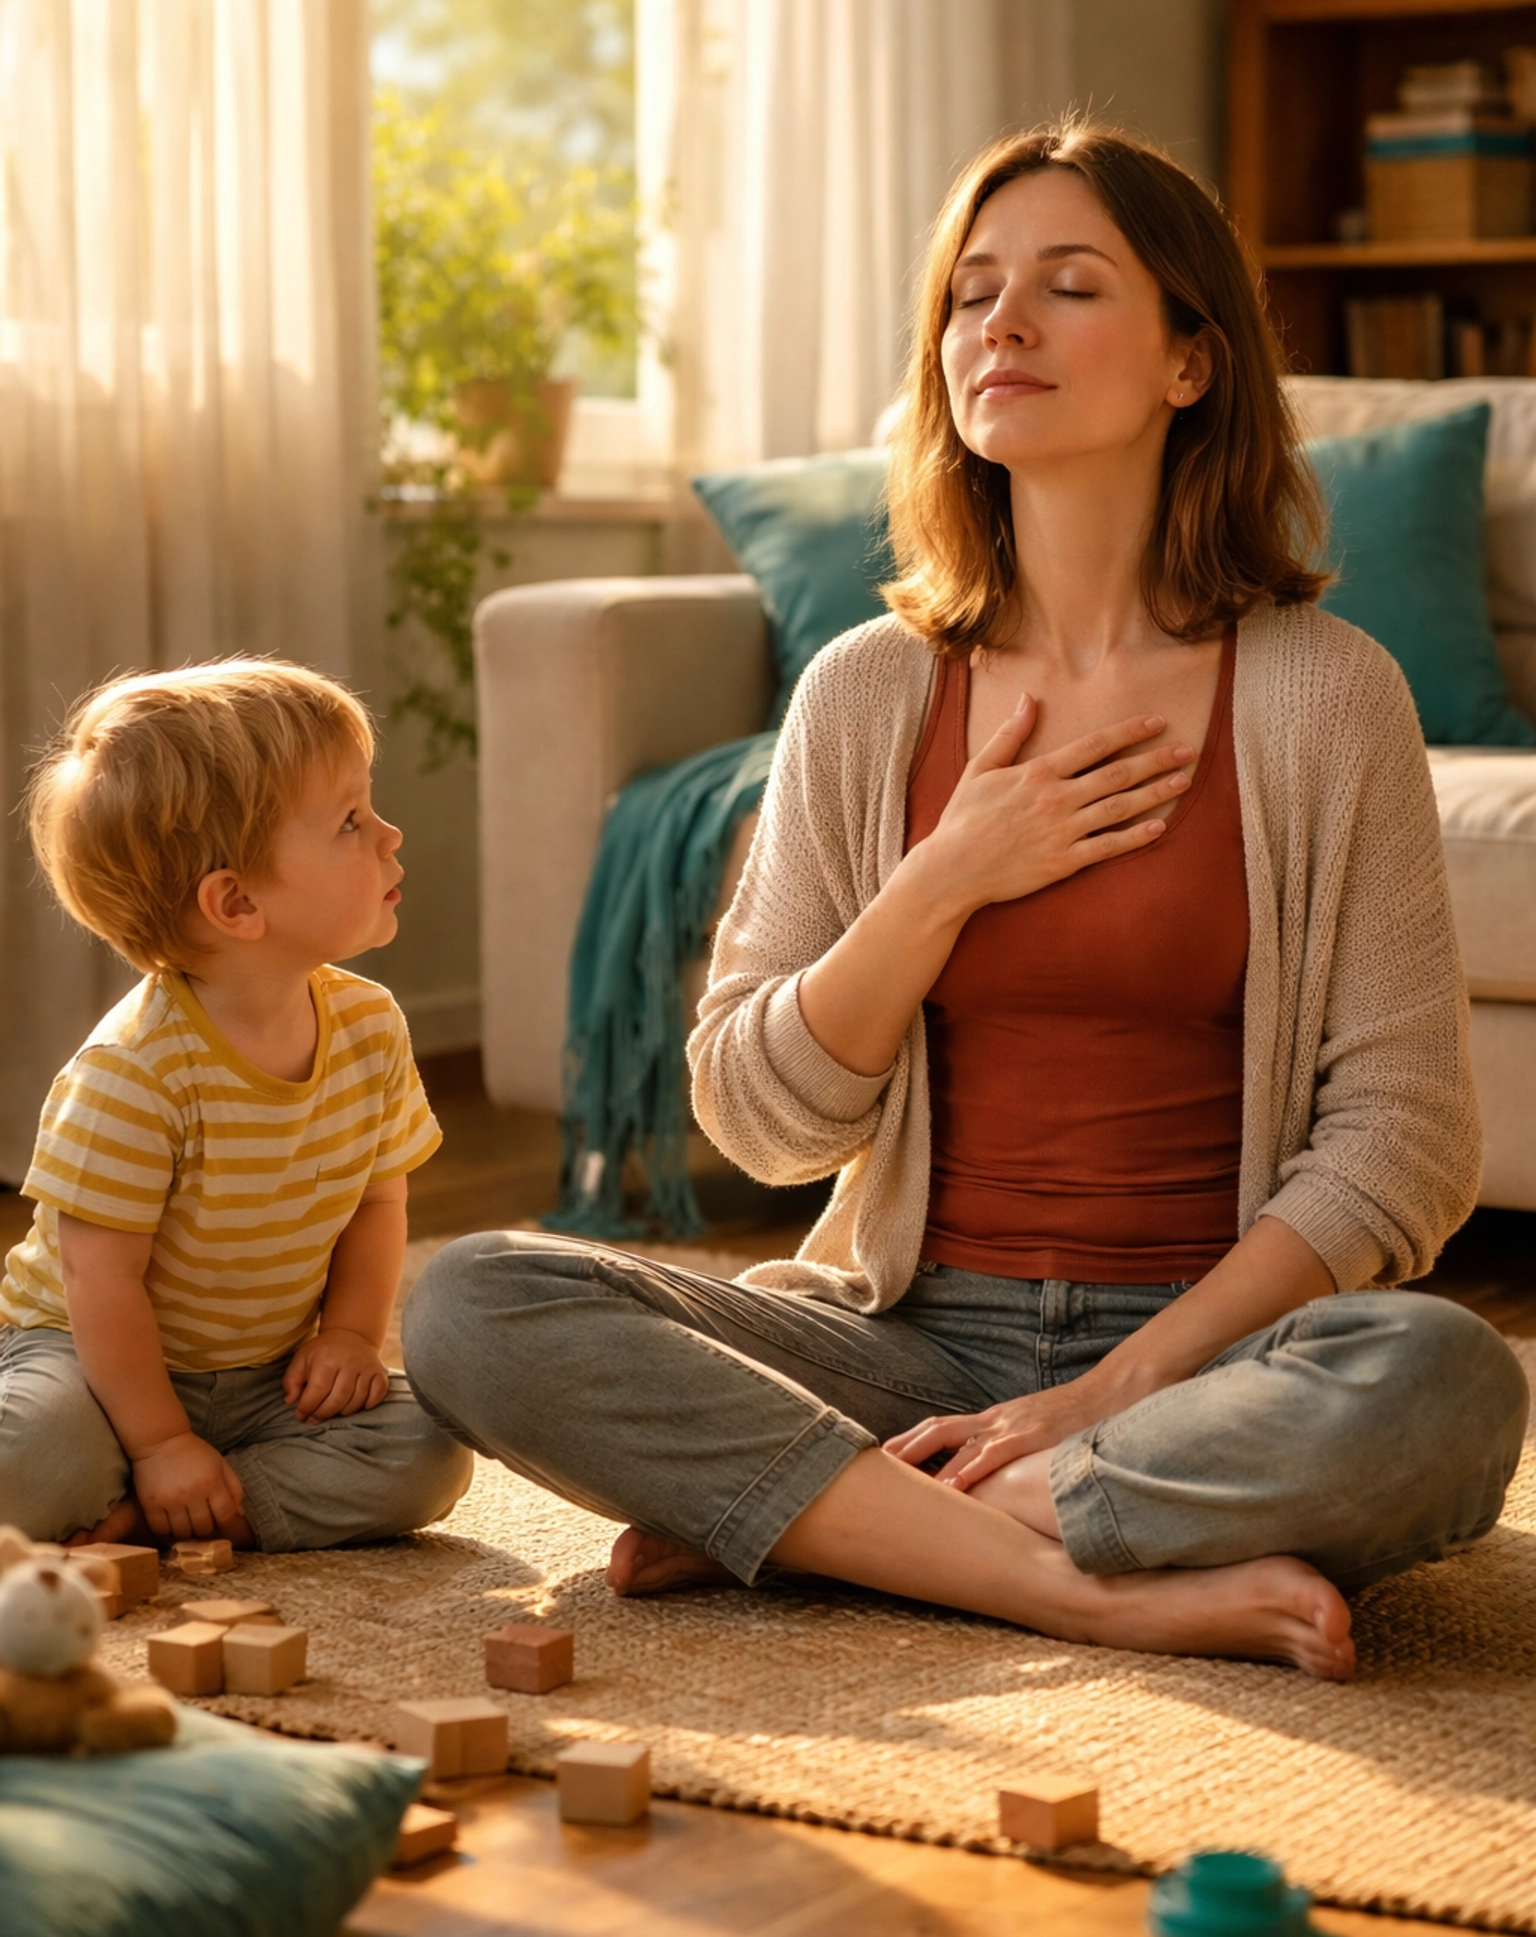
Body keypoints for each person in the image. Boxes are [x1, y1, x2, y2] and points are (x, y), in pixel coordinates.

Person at [404, 122, 1528, 1677]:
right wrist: (946, 876)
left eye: (1068, 287)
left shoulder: (1325, 696)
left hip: (1205, 1352)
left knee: (1446, 1387)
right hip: (904, 1338)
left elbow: (1405, 1139)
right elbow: (756, 1116)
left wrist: (1113, 1392)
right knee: (469, 1300)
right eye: (970, 293)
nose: (998, 325)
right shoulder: (868, 695)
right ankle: (1072, 1575)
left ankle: (835, 1530)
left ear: (1192, 363)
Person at [0, 660, 471, 1550]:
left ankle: (171, 1513)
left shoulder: (369, 1027)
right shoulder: (132, 1073)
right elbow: (98, 1283)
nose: (389, 833)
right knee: (31, 1461)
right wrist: (161, 1438)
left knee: (432, 1447)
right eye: (350, 820)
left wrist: (351, 1337)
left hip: (265, 1379)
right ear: (238, 902)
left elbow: (378, 1201)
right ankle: (148, 1479)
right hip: (91, 1361)